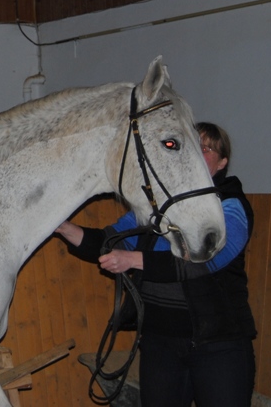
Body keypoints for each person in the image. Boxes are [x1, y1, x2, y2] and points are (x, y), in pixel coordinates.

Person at [54, 122, 256, 407]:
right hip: (160, 342)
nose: (196, 152)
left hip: (218, 343)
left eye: (206, 148)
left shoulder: (230, 205)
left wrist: (134, 260)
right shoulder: (154, 205)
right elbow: (111, 241)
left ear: (222, 163)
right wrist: (63, 227)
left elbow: (205, 261)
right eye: (190, 145)